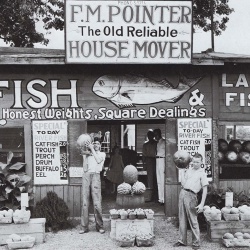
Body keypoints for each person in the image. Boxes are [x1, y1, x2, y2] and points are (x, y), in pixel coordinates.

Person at [174, 153, 208, 250]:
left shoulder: (202, 173)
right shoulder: (188, 171)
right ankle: (182, 240)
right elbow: (183, 183)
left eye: (198, 162)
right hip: (183, 193)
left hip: (192, 195)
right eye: (194, 162)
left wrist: (201, 204)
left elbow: (205, 190)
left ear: (201, 162)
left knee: (193, 220)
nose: (195, 164)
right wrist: (182, 172)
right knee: (182, 218)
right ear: (191, 162)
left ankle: (196, 243)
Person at [79, 140, 106, 234]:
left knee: (97, 203)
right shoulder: (88, 154)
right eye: (94, 143)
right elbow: (84, 168)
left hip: (96, 175)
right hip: (86, 175)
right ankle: (84, 227)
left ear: (100, 145)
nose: (96, 145)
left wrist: (91, 149)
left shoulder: (102, 154)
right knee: (85, 202)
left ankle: (100, 226)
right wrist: (85, 154)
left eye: (98, 143)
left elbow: (98, 161)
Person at [142, 130, 158, 202]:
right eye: (149, 136)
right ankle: (150, 195)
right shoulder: (145, 145)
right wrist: (144, 164)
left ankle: (157, 194)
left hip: (156, 160)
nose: (150, 137)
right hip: (148, 160)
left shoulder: (157, 143)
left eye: (151, 136)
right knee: (150, 177)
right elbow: (143, 155)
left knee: (157, 176)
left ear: (153, 136)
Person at [153, 128, 165, 205]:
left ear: (159, 134)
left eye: (156, 134)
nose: (155, 136)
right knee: (158, 180)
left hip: (162, 160)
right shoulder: (157, 143)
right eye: (155, 135)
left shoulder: (164, 142)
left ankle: (164, 198)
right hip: (157, 160)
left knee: (162, 180)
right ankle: (160, 198)